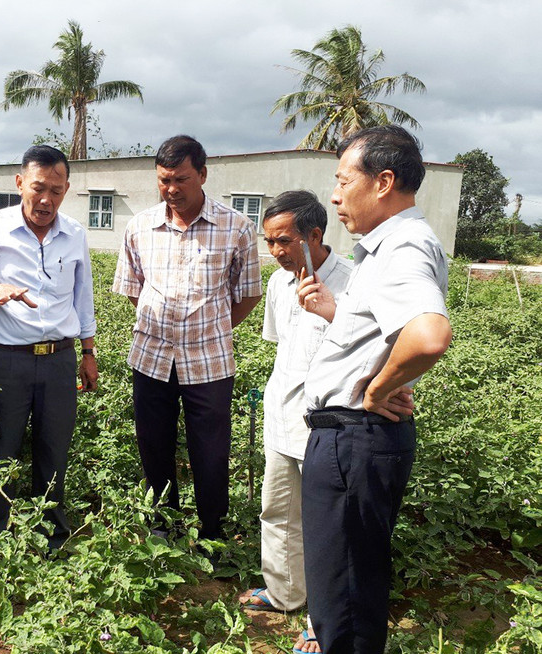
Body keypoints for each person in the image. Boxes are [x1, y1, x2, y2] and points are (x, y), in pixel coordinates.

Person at [295, 126, 452, 654]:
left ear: (383, 182)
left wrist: (376, 389)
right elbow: (381, 334)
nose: (335, 196)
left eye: (343, 181)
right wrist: (383, 376)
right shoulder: (386, 248)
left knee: (345, 599)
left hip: (352, 441)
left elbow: (429, 336)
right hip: (351, 442)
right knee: (347, 586)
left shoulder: (402, 246)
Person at [112, 135, 262, 544]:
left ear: (203, 175)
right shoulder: (140, 226)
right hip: (151, 358)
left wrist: (211, 328)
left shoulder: (236, 227)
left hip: (210, 361)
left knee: (210, 454)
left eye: (181, 179)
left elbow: (248, 293)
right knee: (154, 447)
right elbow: (132, 288)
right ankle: (164, 528)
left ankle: (212, 533)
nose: (171, 189)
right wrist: (164, 328)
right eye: (163, 180)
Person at [0, 144, 97, 550]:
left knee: (54, 449)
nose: (46, 199)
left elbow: (82, 298)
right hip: (9, 360)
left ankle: (52, 534)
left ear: (66, 189)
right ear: (20, 183)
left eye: (56, 190)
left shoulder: (75, 235)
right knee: (0, 448)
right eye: (38, 188)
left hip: (59, 360)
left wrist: (88, 354)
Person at [239, 191, 352, 615]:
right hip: (281, 415)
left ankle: (326, 619)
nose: (275, 252)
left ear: (315, 235)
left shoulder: (352, 282)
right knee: (278, 511)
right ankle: (285, 592)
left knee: (328, 524)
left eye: (283, 241)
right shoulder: (277, 283)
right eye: (269, 242)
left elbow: (375, 348)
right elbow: (283, 347)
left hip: (329, 425)